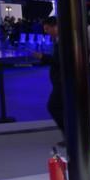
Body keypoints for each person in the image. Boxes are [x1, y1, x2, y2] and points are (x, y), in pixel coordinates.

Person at [32, 17, 65, 146]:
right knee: (60, 107)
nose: (46, 32)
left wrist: (42, 57)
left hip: (62, 81)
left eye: (47, 29)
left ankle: (70, 135)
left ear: (55, 26)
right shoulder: (60, 40)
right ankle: (70, 135)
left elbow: (59, 61)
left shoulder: (63, 41)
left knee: (54, 106)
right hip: (61, 80)